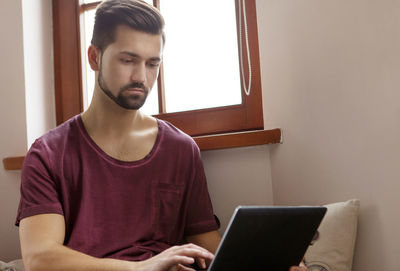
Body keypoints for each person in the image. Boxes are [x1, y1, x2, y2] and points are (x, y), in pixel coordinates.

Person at [16, 1, 307, 270]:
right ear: (94, 57)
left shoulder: (181, 149)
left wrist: (269, 264)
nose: (141, 77)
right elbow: (40, 258)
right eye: (128, 60)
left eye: (152, 63)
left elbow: (207, 247)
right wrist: (142, 268)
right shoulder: (48, 154)